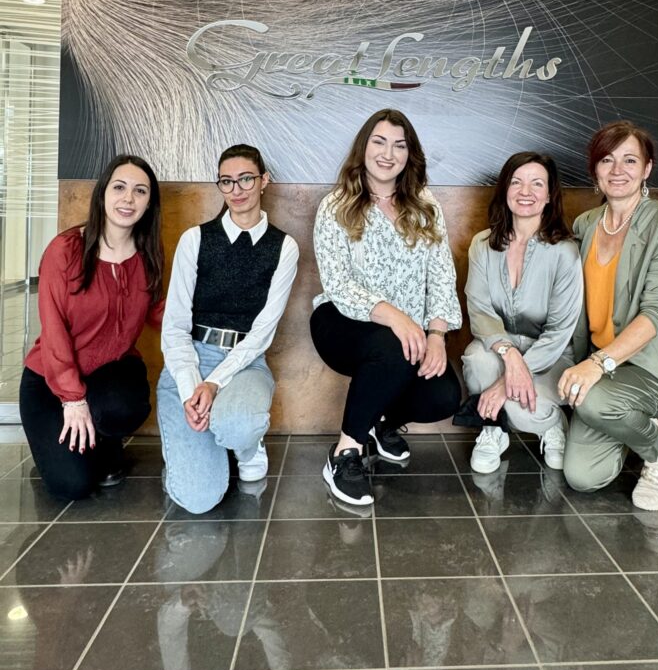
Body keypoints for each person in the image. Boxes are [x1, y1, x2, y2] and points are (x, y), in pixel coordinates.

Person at [311, 108, 463, 507]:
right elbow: (339, 284)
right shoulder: (336, 205)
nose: (388, 153)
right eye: (379, 142)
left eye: (399, 145)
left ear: (409, 154)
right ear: (363, 147)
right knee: (390, 348)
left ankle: (381, 423)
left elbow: (442, 275)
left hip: (411, 334)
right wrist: (396, 318)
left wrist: (436, 335)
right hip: (343, 321)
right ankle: (345, 453)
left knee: (444, 395)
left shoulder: (425, 205)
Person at [558, 120, 658, 510]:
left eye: (629, 160)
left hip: (656, 368)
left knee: (591, 402)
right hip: (607, 368)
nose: (617, 170)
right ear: (595, 170)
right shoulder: (585, 225)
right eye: (607, 160)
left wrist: (597, 364)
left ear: (647, 169)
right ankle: (630, 425)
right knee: (583, 478)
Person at [158, 144, 298, 514]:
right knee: (198, 500)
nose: (237, 190)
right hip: (190, 357)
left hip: (246, 362)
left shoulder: (284, 247)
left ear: (264, 180)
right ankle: (198, 445)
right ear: (219, 186)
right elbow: (174, 327)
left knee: (237, 426)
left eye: (246, 179)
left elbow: (263, 332)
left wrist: (215, 383)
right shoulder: (196, 239)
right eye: (226, 181)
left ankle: (245, 443)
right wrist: (192, 388)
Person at [19, 155, 164, 499]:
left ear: (149, 203)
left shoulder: (148, 252)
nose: (128, 199)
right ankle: (62, 451)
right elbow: (53, 329)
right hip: (51, 382)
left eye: (140, 191)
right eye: (119, 187)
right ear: (102, 194)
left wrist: (206, 332)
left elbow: (159, 312)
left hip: (110, 375)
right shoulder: (65, 250)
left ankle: (104, 442)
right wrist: (72, 399)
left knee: (121, 407)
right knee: (73, 485)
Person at [462, 152, 583, 474]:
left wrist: (505, 383)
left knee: (520, 405)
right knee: (476, 359)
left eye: (536, 183)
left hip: (554, 355)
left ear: (548, 195)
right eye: (516, 182)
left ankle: (553, 425)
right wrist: (510, 356)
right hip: (499, 347)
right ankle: (493, 429)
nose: (525, 191)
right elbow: (479, 309)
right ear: (504, 190)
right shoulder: (482, 244)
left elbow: (560, 331)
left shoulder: (566, 252)